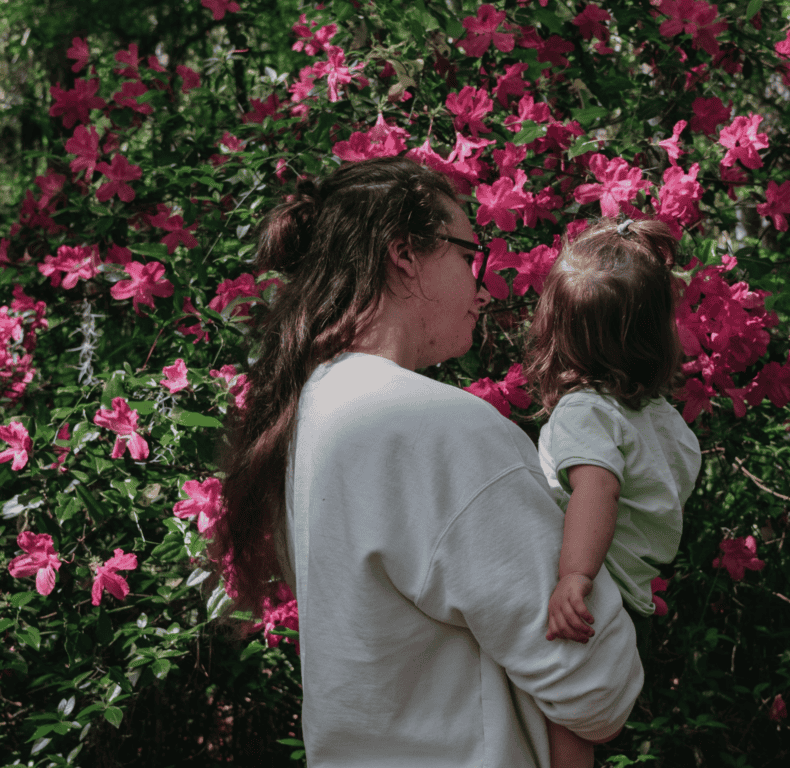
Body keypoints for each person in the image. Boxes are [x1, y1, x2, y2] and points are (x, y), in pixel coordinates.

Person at [208, 157, 643, 768]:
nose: (481, 282)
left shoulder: (306, 418)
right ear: (404, 254)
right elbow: (595, 688)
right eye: (469, 255)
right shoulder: (436, 429)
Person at [520, 217, 703, 768]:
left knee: (567, 722)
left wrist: (575, 577)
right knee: (577, 721)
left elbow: (597, 490)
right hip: (632, 601)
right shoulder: (664, 420)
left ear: (558, 332)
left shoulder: (586, 411)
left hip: (594, 594)